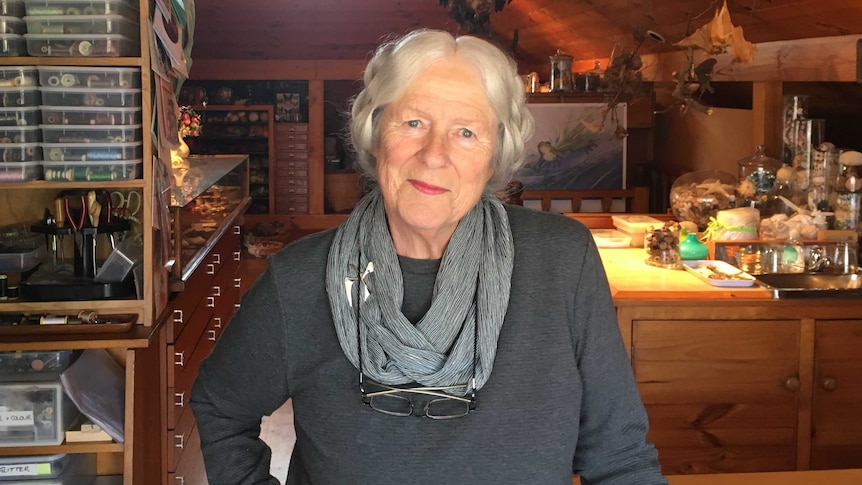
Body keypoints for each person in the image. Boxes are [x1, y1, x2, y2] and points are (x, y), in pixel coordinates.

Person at [191, 29, 668, 485]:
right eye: (413, 122)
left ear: (494, 154)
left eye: (465, 132)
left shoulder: (564, 261)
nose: (434, 154)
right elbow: (220, 406)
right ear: (376, 132)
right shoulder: (297, 281)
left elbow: (619, 457)